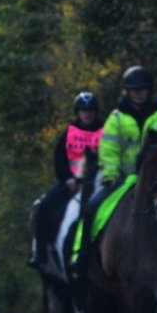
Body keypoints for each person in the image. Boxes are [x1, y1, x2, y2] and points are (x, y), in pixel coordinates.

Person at [83, 65, 157, 279]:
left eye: (143, 89)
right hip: (121, 179)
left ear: (149, 91)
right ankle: (84, 257)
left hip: (156, 181)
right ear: (127, 91)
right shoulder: (117, 119)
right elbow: (109, 150)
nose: (139, 93)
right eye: (134, 89)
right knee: (92, 206)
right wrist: (110, 173)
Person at [27, 91, 103, 269]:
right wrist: (68, 178)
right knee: (43, 207)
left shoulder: (105, 132)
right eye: (83, 110)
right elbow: (59, 160)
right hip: (71, 183)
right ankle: (40, 252)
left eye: (91, 110)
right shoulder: (68, 133)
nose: (87, 114)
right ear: (78, 112)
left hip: (99, 182)